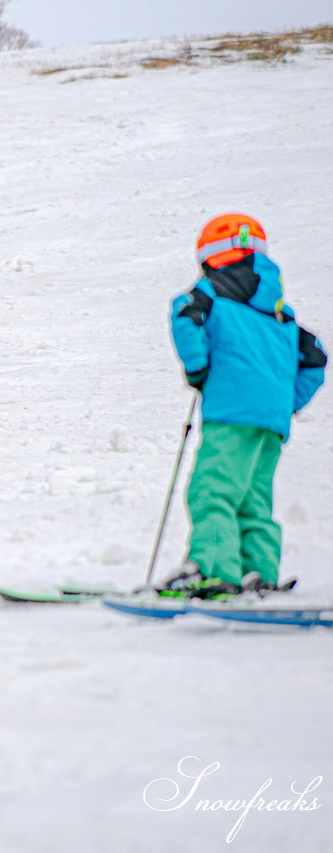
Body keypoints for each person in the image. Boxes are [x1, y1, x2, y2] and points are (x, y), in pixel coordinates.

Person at [165, 213, 326, 597]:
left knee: (213, 490)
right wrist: (287, 403)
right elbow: (315, 358)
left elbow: (184, 315)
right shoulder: (279, 311)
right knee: (253, 495)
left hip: (231, 411)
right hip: (271, 421)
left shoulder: (211, 294)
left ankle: (214, 570)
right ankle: (260, 572)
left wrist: (199, 369)